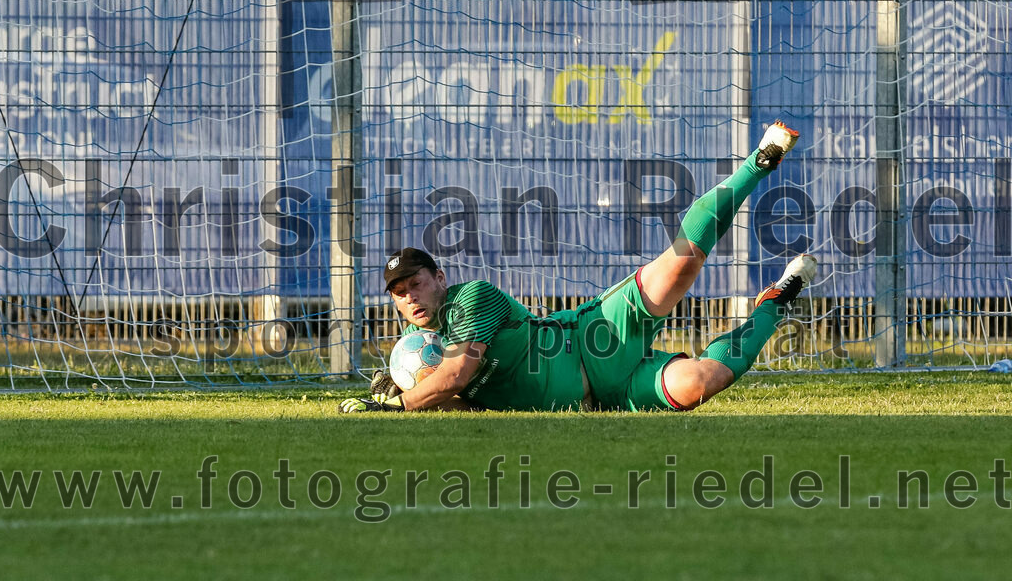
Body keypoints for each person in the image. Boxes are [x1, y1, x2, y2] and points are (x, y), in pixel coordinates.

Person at [339, 120, 816, 413]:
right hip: (610, 394)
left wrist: (398, 404)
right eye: (399, 293)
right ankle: (774, 302)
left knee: (682, 265)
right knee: (701, 383)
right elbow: (458, 396)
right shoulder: (429, 356)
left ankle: (759, 160)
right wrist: (403, 396)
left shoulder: (471, 298)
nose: (410, 297)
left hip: (593, 337)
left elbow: (458, 376)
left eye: (416, 283)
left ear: (439, 278)